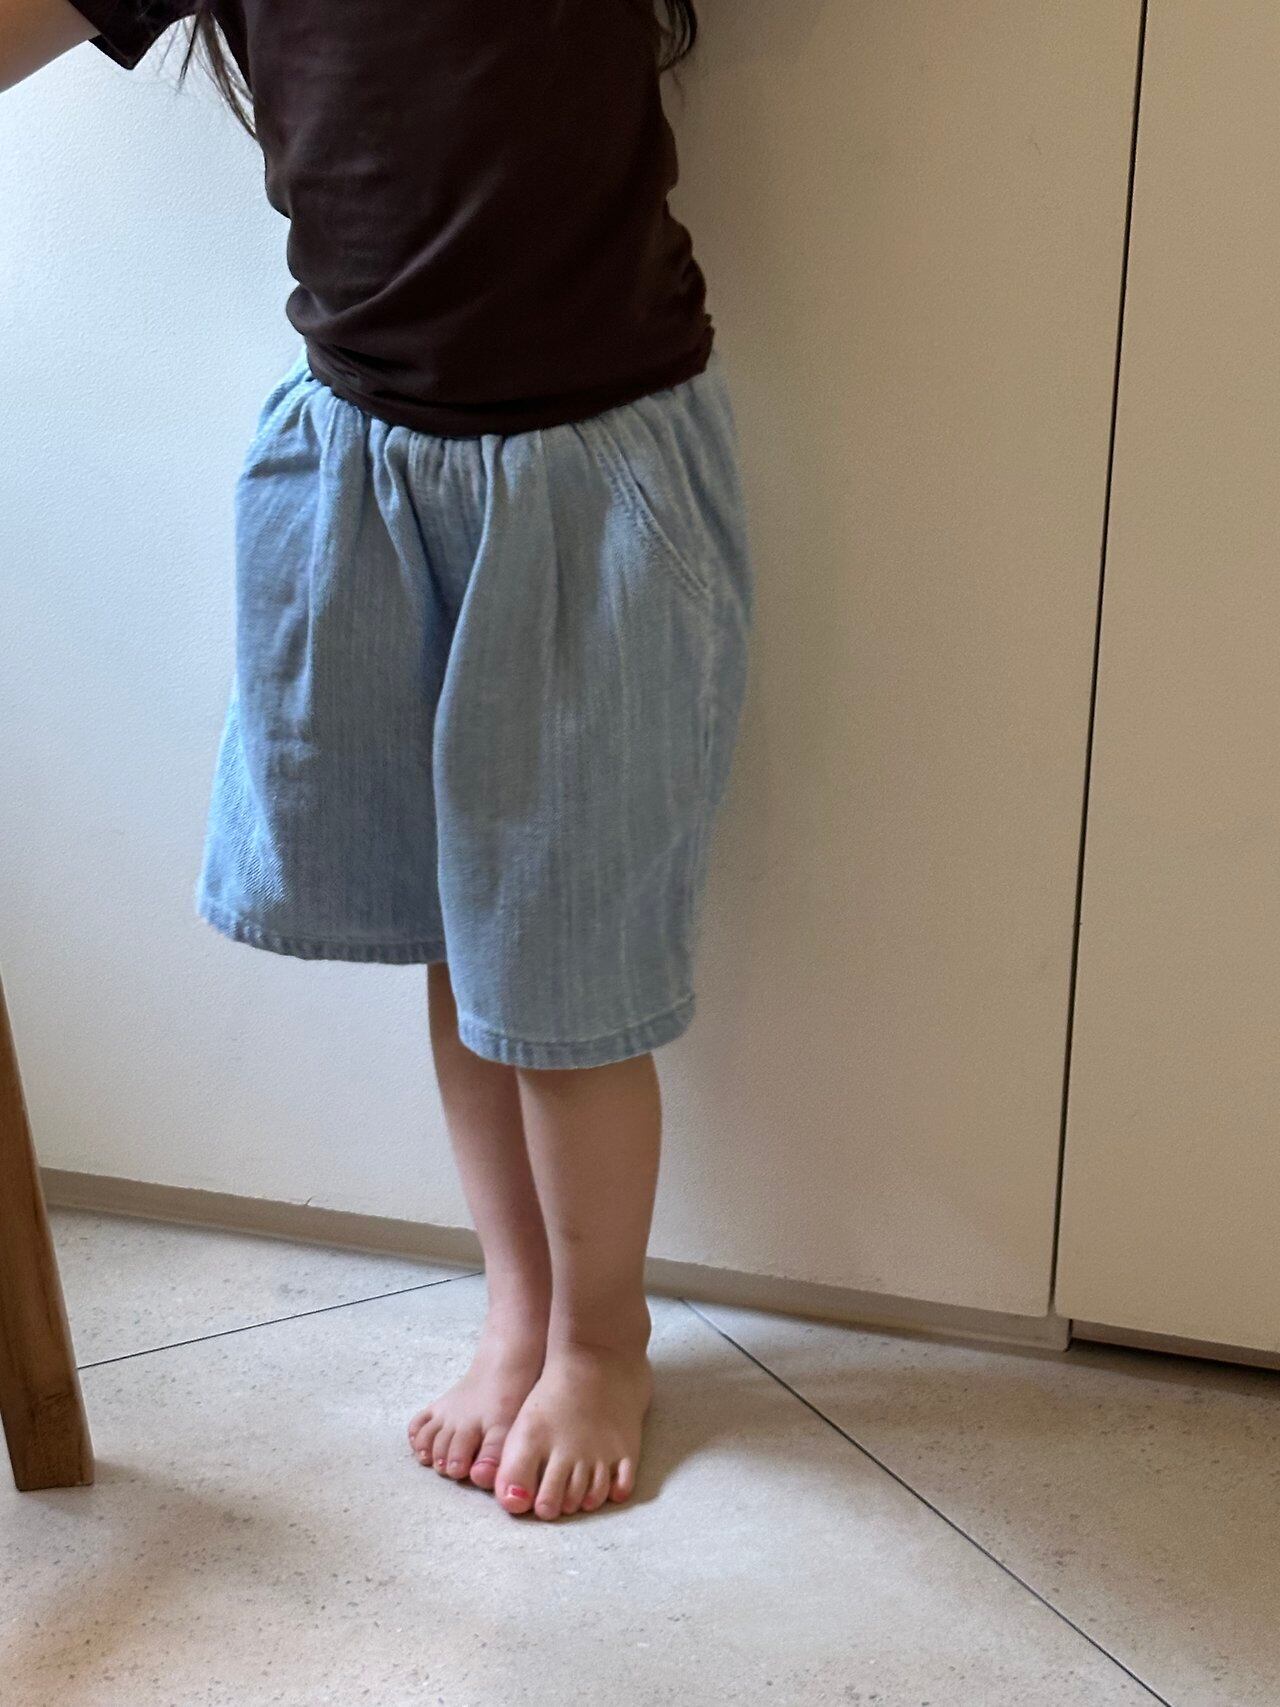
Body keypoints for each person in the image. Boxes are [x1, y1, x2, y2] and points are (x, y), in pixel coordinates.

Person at [2, 0, 754, 1521]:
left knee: (565, 975)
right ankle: (519, 1308)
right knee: (459, 939)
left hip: (593, 475)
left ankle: (601, 1339)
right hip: (364, 458)